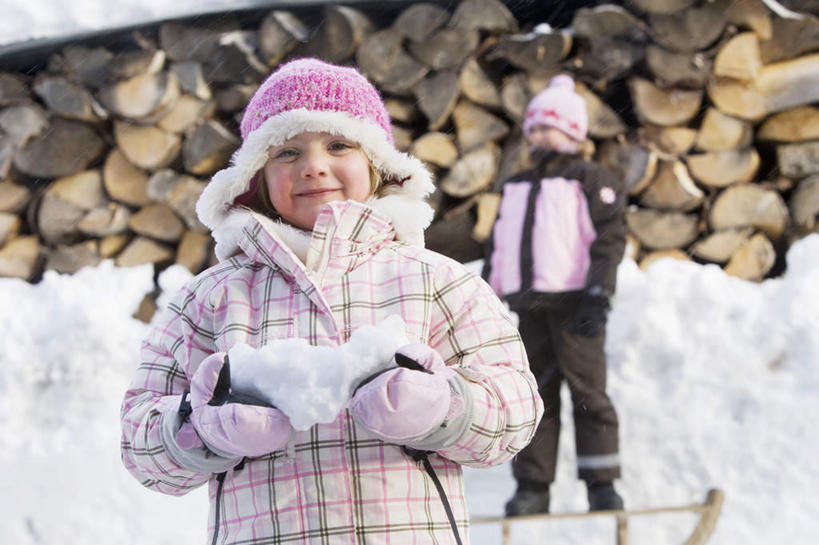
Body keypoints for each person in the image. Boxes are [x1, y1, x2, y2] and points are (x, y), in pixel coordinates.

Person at [120, 58, 543, 544]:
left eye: (338, 144)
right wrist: (201, 428)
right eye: (286, 152)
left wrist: (444, 405)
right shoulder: (211, 297)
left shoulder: (436, 281)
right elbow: (139, 444)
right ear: (255, 177)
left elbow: (516, 413)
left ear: (376, 163)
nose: (313, 165)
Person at [482, 74, 627, 515]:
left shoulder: (592, 178)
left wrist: (598, 295)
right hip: (529, 307)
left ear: (574, 132)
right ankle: (532, 488)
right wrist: (490, 294)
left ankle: (601, 484)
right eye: (536, 126)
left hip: (576, 306)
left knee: (589, 394)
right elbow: (500, 242)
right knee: (536, 398)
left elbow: (608, 240)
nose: (542, 134)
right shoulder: (517, 184)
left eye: (552, 126)